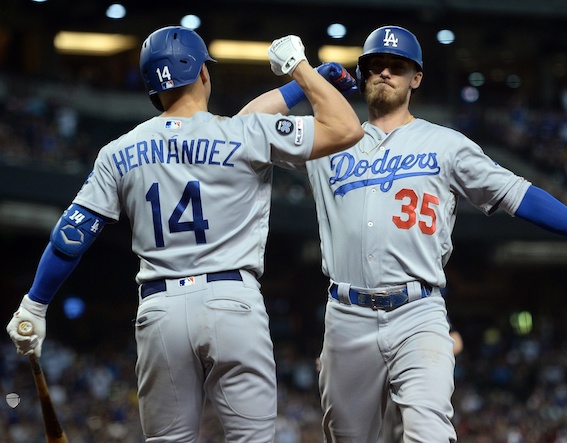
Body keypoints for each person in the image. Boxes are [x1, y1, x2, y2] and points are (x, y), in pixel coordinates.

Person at [240, 25, 567, 442]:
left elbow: (518, 193)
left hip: (418, 313)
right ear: (363, 75)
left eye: (397, 66)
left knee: (429, 434)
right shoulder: (329, 139)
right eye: (375, 66)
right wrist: (307, 83)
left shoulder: (445, 144)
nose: (385, 73)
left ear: (417, 78)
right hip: (346, 316)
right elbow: (243, 128)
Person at [5, 26, 363, 442]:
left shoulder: (119, 150)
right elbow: (344, 128)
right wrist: (305, 74)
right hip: (233, 305)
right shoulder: (241, 134)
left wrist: (35, 304)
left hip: (161, 312)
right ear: (203, 75)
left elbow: (72, 235)